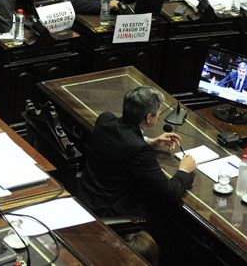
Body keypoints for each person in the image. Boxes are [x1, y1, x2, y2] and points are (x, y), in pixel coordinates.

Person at [77, 85, 197, 218]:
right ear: (149, 117)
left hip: (84, 196)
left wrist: (150, 141)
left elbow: (121, 143)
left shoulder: (105, 119)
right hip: (108, 212)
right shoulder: (140, 150)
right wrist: (184, 170)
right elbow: (169, 193)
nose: (160, 113)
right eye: (159, 111)